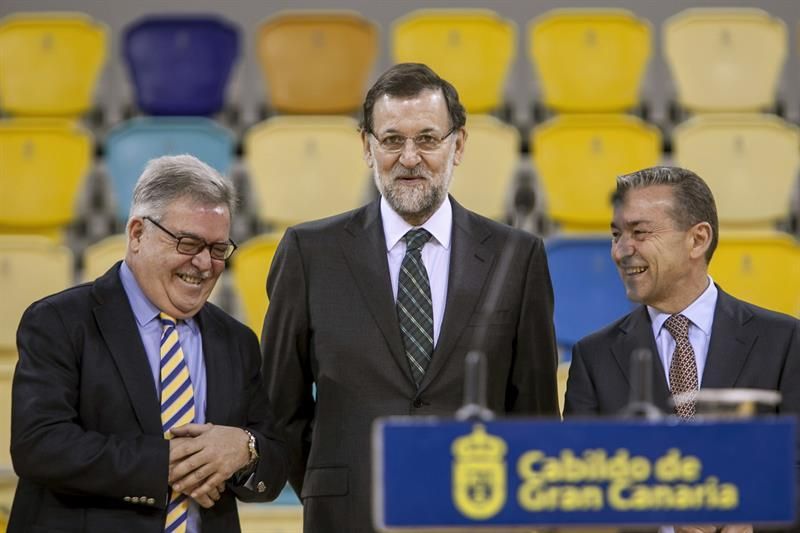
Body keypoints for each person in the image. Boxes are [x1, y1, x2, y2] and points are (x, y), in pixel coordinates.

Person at [261, 62, 559, 533]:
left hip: (477, 517)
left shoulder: (517, 257)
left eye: (427, 139)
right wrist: (333, 487)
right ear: (367, 146)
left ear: (457, 145)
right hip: (347, 519)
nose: (409, 157)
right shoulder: (308, 253)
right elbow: (280, 409)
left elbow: (537, 417)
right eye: (392, 140)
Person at [9, 155, 288, 533]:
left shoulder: (236, 341)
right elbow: (39, 446)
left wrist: (244, 448)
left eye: (218, 249)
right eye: (189, 243)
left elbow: (272, 462)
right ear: (138, 233)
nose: (205, 264)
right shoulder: (58, 321)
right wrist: (167, 463)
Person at [564, 166, 800, 533]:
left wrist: (753, 522)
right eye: (616, 235)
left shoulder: (785, 342)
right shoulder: (593, 357)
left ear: (697, 239)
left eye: (639, 233)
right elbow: (579, 489)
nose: (621, 251)